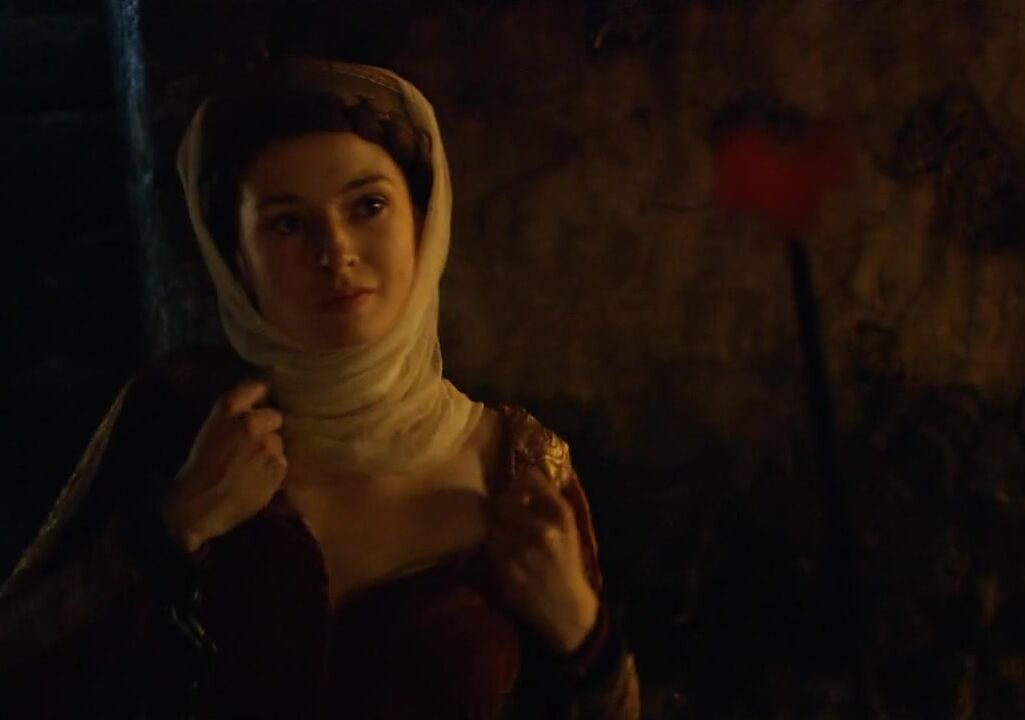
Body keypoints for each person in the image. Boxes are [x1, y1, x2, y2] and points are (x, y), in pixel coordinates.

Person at [0, 55, 640, 718]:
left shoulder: (519, 467)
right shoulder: (181, 420)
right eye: (286, 223)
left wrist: (581, 630)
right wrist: (177, 524)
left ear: (423, 225)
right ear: (236, 259)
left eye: (368, 207)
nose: (336, 252)